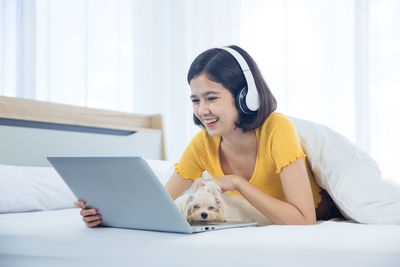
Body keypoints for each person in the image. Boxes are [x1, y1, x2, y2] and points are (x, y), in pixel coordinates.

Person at [75, 45, 342, 227]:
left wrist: (238, 183)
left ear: (246, 97)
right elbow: (160, 203)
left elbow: (305, 219)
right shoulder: (204, 143)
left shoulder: (277, 129)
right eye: (195, 100)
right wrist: (106, 214)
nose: (202, 110)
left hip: (324, 210)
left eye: (211, 98)